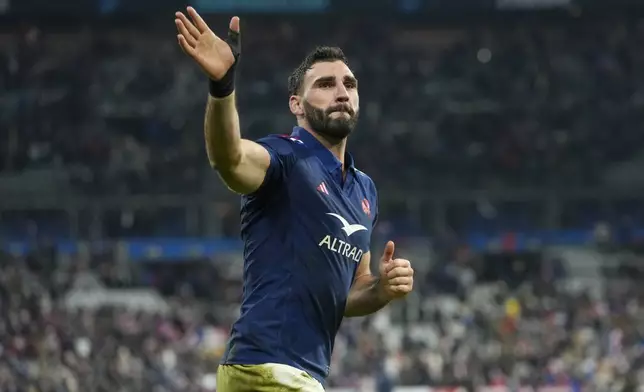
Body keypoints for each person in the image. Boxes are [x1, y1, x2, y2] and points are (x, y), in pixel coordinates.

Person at [174, 7, 415, 391]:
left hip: (297, 374)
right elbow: (229, 158)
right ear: (296, 105)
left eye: (349, 84)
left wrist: (381, 290)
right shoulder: (287, 157)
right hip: (267, 367)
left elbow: (349, 292)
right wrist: (223, 85)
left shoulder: (364, 189)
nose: (341, 91)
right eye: (324, 84)